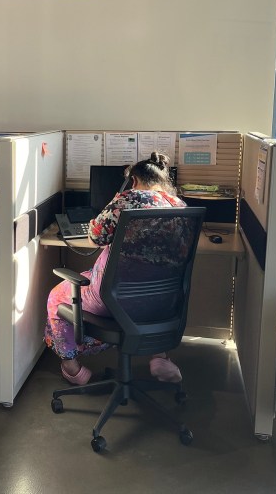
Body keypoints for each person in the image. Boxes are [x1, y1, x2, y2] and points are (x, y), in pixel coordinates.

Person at [44, 151, 186, 385]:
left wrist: (116, 199)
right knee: (148, 280)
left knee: (56, 296)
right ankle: (160, 358)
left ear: (133, 180)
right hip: (161, 300)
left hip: (114, 298)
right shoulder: (179, 206)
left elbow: (94, 238)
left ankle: (73, 368)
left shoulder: (127, 200)